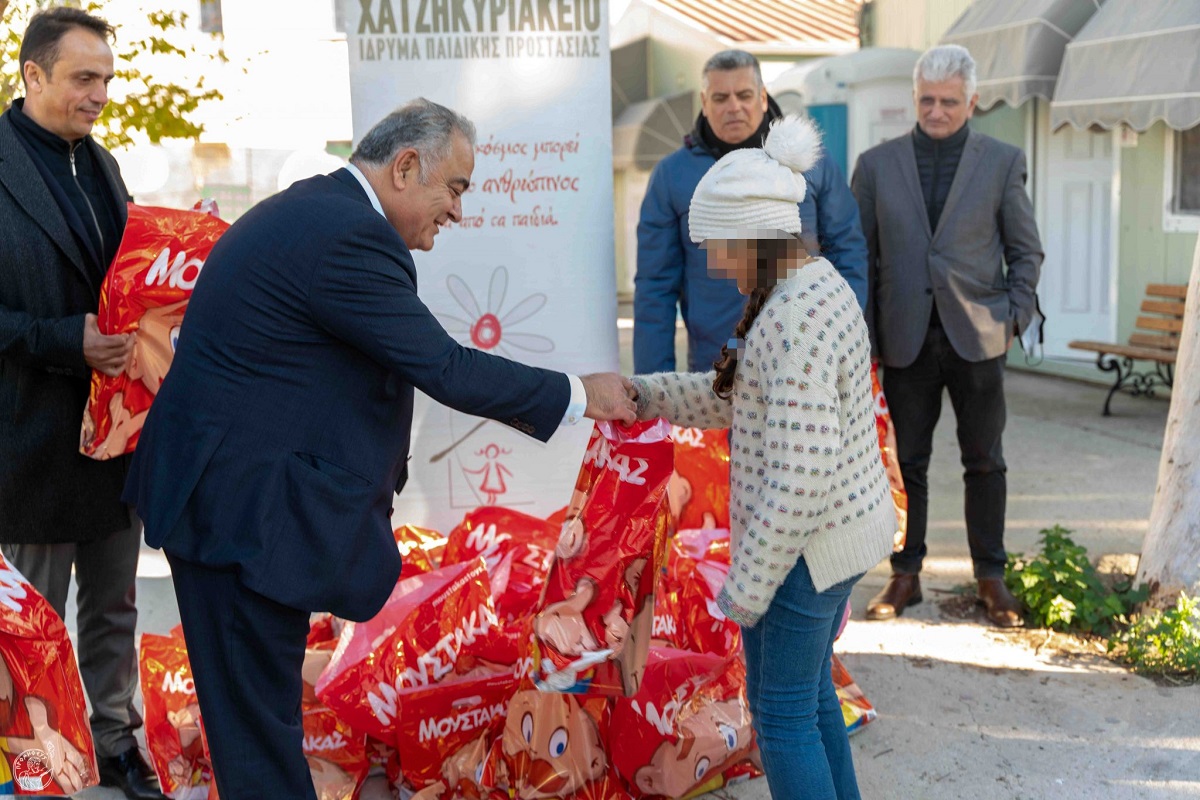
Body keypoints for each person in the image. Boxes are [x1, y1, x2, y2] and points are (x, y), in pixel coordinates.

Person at [123, 98, 637, 800]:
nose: (457, 211)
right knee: (258, 738)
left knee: (259, 725)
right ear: (404, 167)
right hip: (239, 515)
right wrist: (584, 394)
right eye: (454, 188)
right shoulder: (346, 236)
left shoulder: (325, 215)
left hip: (239, 504)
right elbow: (445, 367)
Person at [630, 115, 895, 800]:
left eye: (720, 246)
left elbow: (801, 477)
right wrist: (645, 394)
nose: (714, 265)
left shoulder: (793, 318)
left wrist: (748, 586)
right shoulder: (804, 285)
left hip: (808, 552)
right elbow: (737, 397)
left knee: (780, 723)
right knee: (807, 704)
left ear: (757, 233)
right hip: (833, 539)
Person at [0, 8, 166, 799]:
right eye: (83, 78)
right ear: (32, 75)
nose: (100, 94)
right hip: (26, 440)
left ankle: (114, 747)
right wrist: (67, 339)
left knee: (113, 610)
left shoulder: (99, 163)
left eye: (106, 78)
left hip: (112, 437)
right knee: (30, 625)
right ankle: (35, 768)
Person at [851, 44, 1043, 628]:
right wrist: (862, 338)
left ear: (972, 102)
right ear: (915, 98)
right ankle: (904, 574)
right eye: (927, 100)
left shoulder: (1003, 161)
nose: (936, 112)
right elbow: (860, 257)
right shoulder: (877, 165)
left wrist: (1013, 316)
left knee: (985, 461)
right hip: (904, 339)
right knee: (906, 464)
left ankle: (991, 578)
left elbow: (1024, 249)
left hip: (978, 337)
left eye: (949, 102)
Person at [634, 49, 868, 375]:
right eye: (720, 97)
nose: (733, 107)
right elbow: (655, 287)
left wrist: (844, 335)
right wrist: (653, 383)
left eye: (744, 95)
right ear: (704, 102)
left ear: (762, 97)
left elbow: (847, 249)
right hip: (718, 360)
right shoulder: (672, 175)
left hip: (804, 351)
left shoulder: (812, 164)